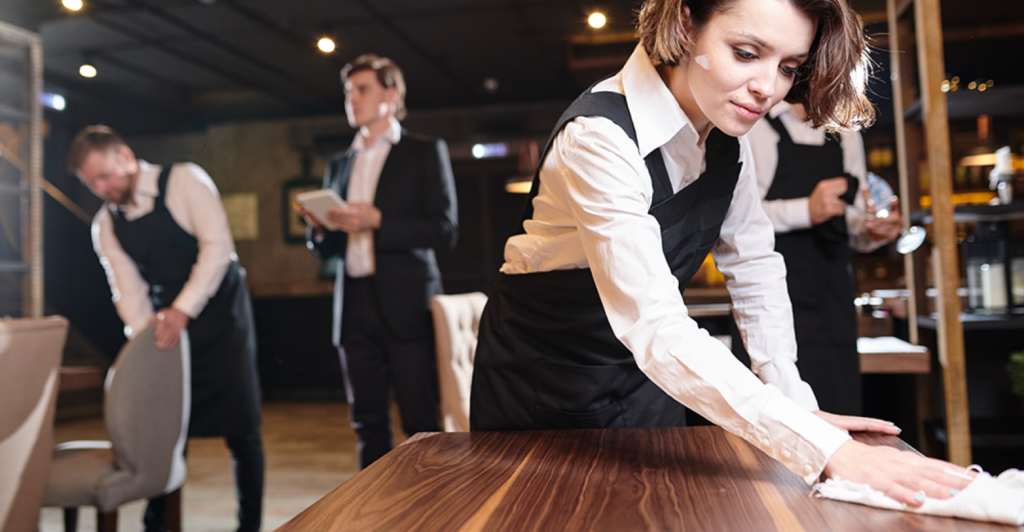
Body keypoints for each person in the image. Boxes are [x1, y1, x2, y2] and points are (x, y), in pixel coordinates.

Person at [470, 0, 972, 506]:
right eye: (746, 53)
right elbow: (656, 328)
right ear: (686, 24)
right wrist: (826, 451)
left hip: (648, 379)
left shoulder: (728, 140)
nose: (769, 88)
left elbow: (753, 262)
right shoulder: (598, 138)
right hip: (544, 381)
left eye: (788, 68)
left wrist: (793, 401)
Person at [69, 126, 264, 532]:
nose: (101, 188)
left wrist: (182, 309)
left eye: (104, 175)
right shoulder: (104, 225)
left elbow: (218, 248)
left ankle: (251, 525)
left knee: (242, 429)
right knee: (166, 429)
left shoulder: (185, 179)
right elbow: (127, 289)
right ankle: (157, 524)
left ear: (125, 156)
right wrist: (145, 340)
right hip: (168, 326)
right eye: (91, 183)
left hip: (222, 314)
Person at [302, 54, 458, 469]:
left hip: (407, 302)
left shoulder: (425, 152)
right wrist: (319, 228)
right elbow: (330, 249)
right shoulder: (339, 163)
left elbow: (445, 230)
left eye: (362, 89)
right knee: (366, 421)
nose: (352, 98)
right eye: (349, 91)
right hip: (352, 303)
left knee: (420, 419)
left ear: (391, 95)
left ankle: (431, 505)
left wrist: (378, 220)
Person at [748, 101, 902, 416]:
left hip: (833, 303)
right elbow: (737, 218)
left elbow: (853, 220)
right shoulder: (754, 127)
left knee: (838, 410)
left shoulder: (845, 133)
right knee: (771, 420)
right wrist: (806, 210)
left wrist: (872, 231)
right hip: (769, 299)